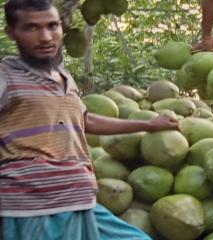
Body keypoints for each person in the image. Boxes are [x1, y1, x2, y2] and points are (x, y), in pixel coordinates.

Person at [0, 0, 179, 239]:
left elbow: (85, 121)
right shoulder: (5, 76)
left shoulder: (62, 76)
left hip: (81, 200)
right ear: (11, 33)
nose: (46, 37)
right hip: (35, 207)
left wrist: (148, 125)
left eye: (52, 26)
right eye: (32, 28)